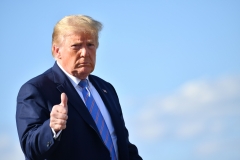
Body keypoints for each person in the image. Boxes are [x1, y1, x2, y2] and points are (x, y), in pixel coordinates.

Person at [16, 15, 142, 160]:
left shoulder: (106, 89)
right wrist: (52, 129)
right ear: (57, 51)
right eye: (76, 46)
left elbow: (122, 145)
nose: (85, 53)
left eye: (90, 45)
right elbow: (30, 148)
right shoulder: (37, 89)